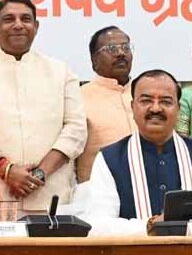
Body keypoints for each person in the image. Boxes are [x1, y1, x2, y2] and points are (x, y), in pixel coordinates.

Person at [0, 0, 86, 211]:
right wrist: (5, 169)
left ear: (36, 26)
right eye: (9, 19)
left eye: (25, 19)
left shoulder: (61, 71)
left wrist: (39, 174)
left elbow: (76, 129)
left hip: (49, 197)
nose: (18, 25)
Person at [81, 69, 191, 235]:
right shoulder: (110, 158)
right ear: (133, 107)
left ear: (178, 109)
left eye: (166, 101)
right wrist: (150, 225)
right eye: (146, 101)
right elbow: (97, 225)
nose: (156, 108)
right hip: (130, 252)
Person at [77, 26, 136, 182]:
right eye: (111, 49)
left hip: (145, 189)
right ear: (94, 60)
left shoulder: (145, 94)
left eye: (126, 47)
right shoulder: (78, 98)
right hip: (96, 191)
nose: (121, 53)